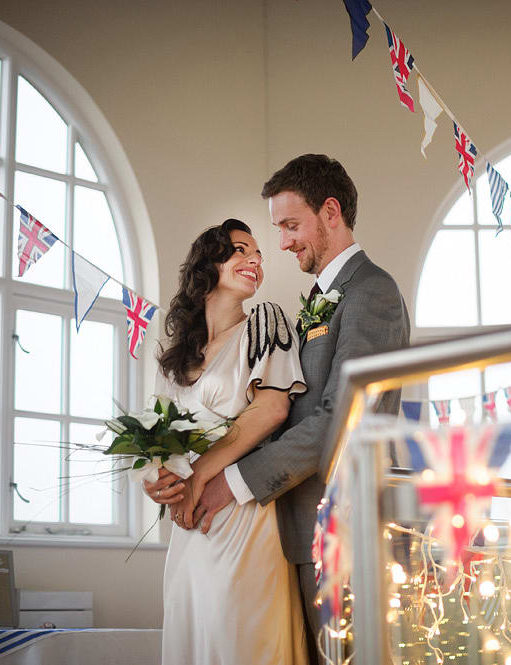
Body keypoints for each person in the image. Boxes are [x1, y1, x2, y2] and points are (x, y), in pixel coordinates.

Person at [170, 154, 411, 663]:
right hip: (298, 535)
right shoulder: (316, 302)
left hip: (348, 533)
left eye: (290, 225)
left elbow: (341, 424)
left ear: (330, 212)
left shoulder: (372, 292)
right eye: (278, 228)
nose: (282, 243)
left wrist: (230, 484)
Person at [145, 218, 309, 665]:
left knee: (236, 637)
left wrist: (199, 474)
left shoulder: (264, 323)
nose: (255, 260)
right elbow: (164, 441)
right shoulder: (178, 357)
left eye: (259, 254)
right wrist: (159, 482)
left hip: (241, 514)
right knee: (191, 632)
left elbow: (271, 410)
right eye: (240, 250)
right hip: (189, 525)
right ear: (208, 264)